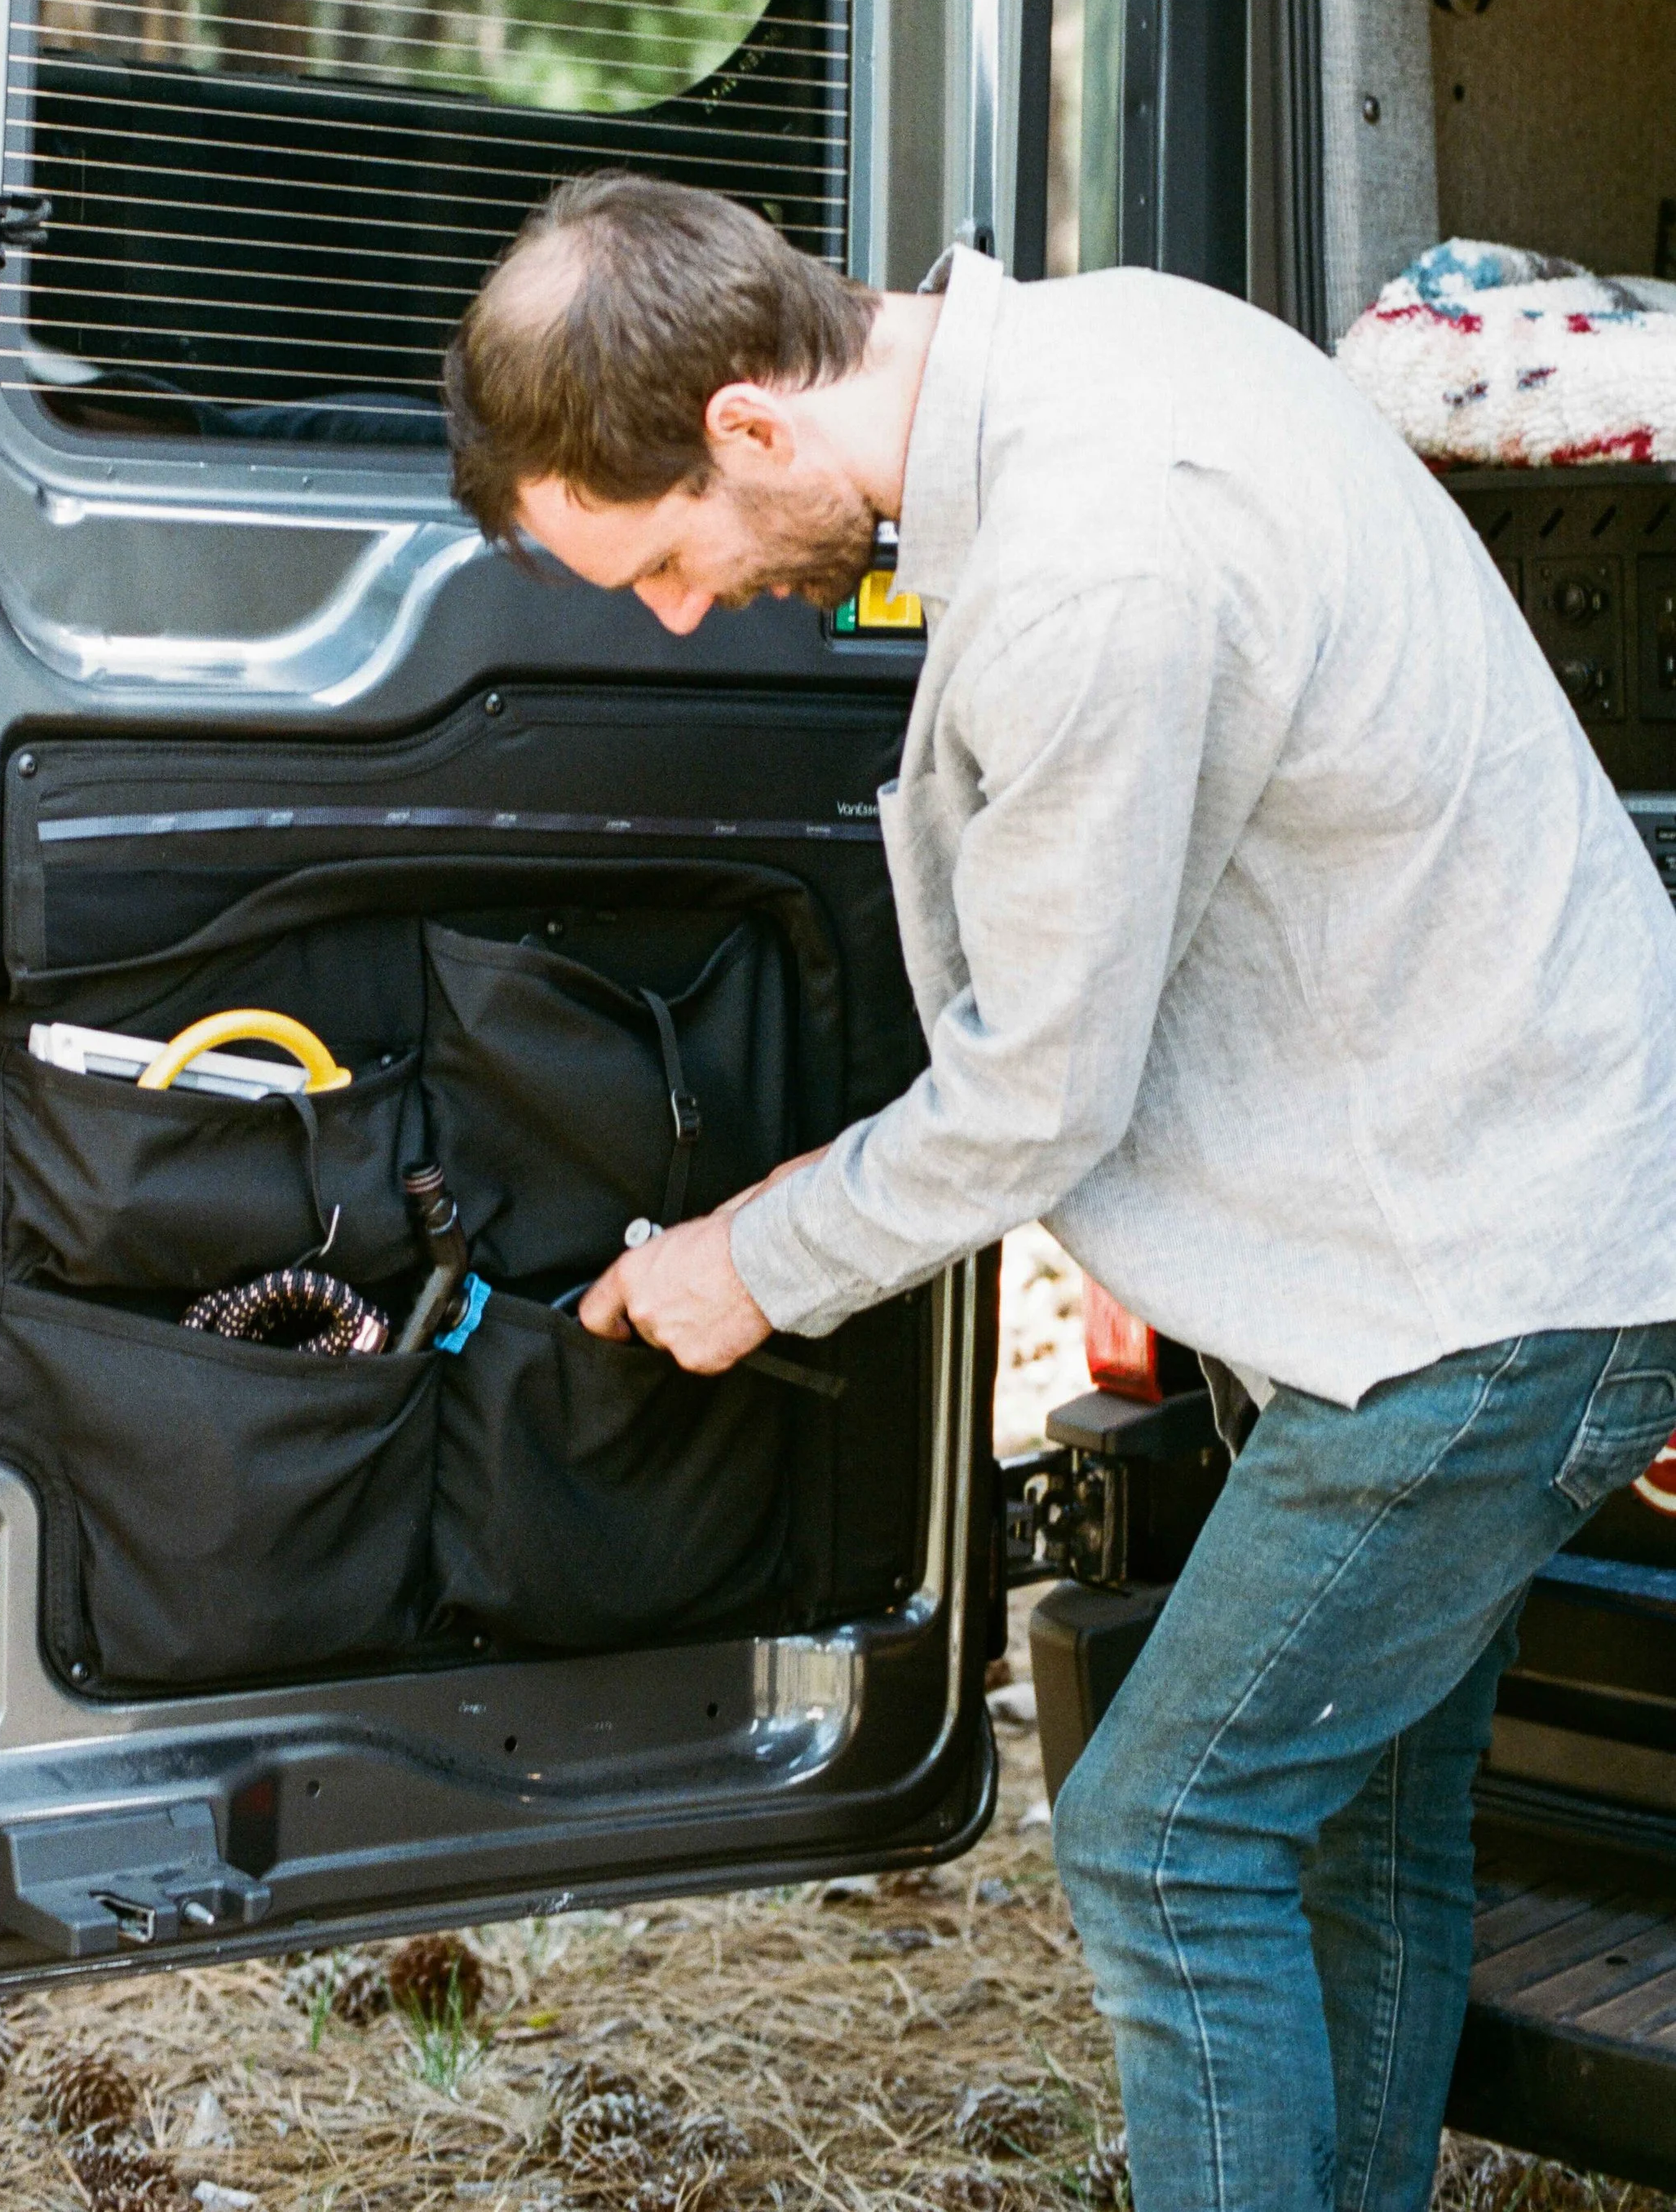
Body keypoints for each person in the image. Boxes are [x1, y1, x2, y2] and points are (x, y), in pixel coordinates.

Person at [442, 170, 1676, 2212]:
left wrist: (748, 1262)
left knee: (1159, 1835)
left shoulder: (1093, 553)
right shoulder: (1112, 341)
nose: (675, 612)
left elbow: (1034, 1100)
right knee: (1352, 1824)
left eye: (660, 556)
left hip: (1490, 1276)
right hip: (1500, 1197)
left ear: (748, 422)